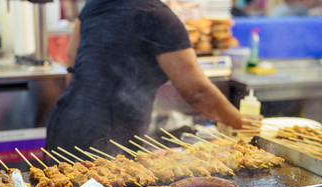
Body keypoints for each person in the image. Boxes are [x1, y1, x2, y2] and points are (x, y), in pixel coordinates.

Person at [46, 0, 250, 156]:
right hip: (106, 137)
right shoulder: (158, 15)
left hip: (65, 122)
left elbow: (72, 57)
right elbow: (197, 92)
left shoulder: (97, 2)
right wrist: (244, 123)